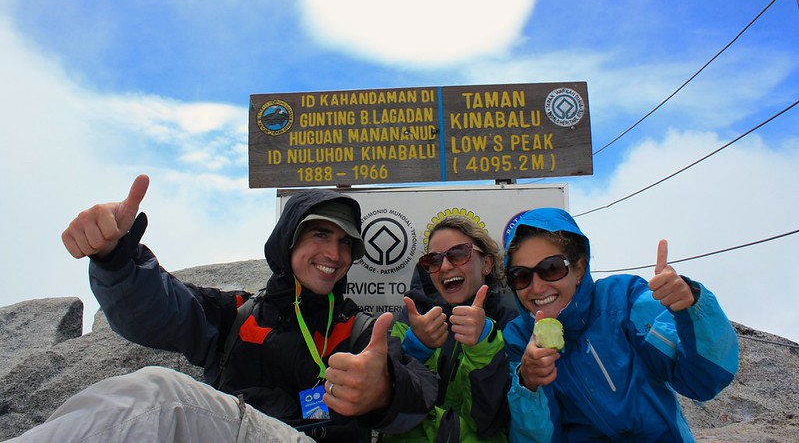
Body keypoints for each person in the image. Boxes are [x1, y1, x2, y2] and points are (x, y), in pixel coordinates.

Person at [12, 174, 437, 442]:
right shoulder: (235, 314)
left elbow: (422, 393)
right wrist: (114, 258)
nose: (334, 252)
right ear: (287, 240)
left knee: (158, 396)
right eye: (320, 235)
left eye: (347, 243)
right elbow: (154, 309)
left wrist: (383, 390)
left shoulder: (361, 331)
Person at [502, 208, 739, 442]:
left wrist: (690, 306)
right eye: (520, 275)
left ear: (579, 269)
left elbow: (705, 380)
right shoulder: (519, 337)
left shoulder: (624, 299)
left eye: (551, 268)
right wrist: (528, 384)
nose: (537, 287)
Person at [386, 215, 518, 442]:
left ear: (486, 264)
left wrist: (483, 346)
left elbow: (493, 421)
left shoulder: (513, 323)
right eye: (434, 260)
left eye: (458, 254)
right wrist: (414, 349)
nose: (445, 267)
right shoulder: (412, 317)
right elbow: (389, 409)